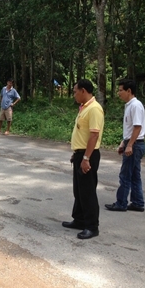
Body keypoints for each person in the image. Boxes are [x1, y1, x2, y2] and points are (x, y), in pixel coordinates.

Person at [62, 79, 105, 240]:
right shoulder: (84, 108)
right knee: (78, 190)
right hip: (81, 154)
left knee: (87, 192)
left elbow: (94, 135)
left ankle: (92, 226)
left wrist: (86, 157)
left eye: (75, 91)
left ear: (84, 91)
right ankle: (79, 219)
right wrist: (78, 153)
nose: (74, 94)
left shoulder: (94, 109)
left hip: (89, 155)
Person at [105, 79, 145, 212]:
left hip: (135, 144)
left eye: (121, 90)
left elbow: (137, 127)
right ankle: (138, 202)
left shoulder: (135, 105)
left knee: (125, 175)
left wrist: (130, 145)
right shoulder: (129, 105)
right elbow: (130, 129)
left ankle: (121, 203)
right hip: (132, 142)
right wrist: (124, 143)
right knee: (134, 175)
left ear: (129, 91)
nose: (118, 93)